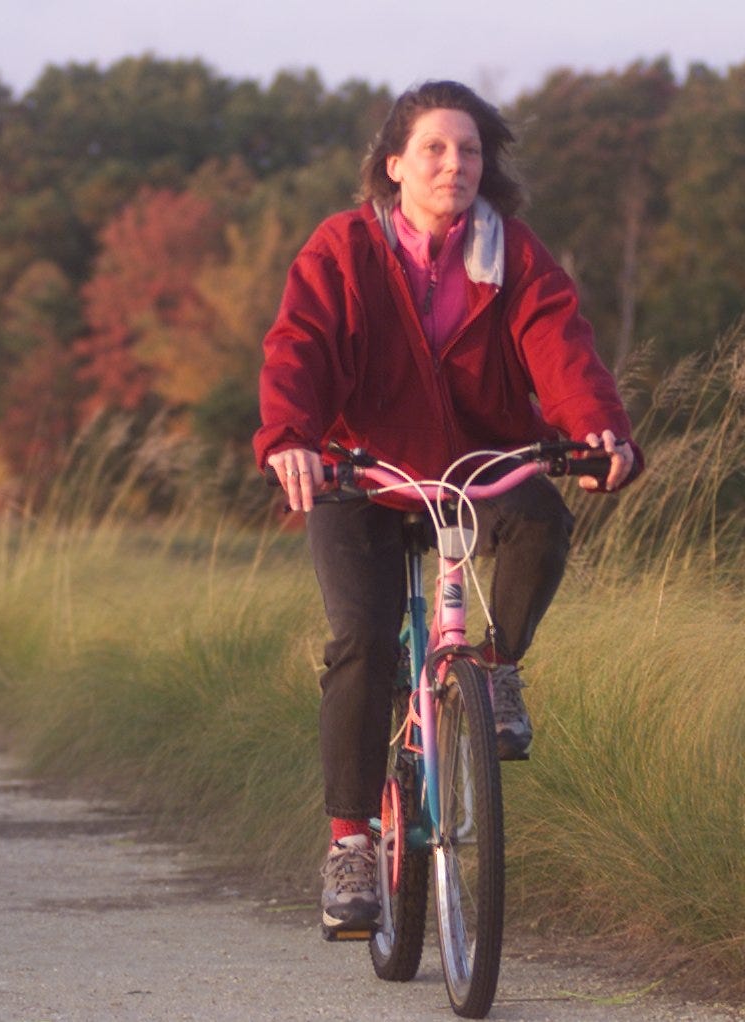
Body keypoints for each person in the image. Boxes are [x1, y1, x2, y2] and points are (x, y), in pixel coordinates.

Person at [253, 81, 643, 937]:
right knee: (359, 641)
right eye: (433, 148)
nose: (453, 164)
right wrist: (291, 437)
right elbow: (300, 346)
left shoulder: (509, 253)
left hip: (478, 466)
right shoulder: (343, 248)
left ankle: (494, 669)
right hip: (359, 473)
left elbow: (560, 343)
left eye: (469, 151)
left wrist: (597, 431)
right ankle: (352, 842)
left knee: (541, 519)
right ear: (393, 167)